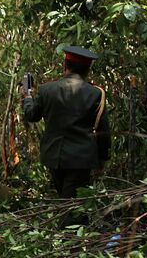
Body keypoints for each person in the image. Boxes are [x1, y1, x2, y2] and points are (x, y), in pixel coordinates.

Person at [22, 46, 111, 227]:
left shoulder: (47, 89)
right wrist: (102, 159)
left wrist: (27, 97)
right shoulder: (95, 94)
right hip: (81, 159)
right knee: (72, 206)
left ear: (65, 65)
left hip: (54, 156)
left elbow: (32, 115)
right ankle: (71, 242)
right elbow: (103, 131)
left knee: (68, 202)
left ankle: (71, 238)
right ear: (87, 69)